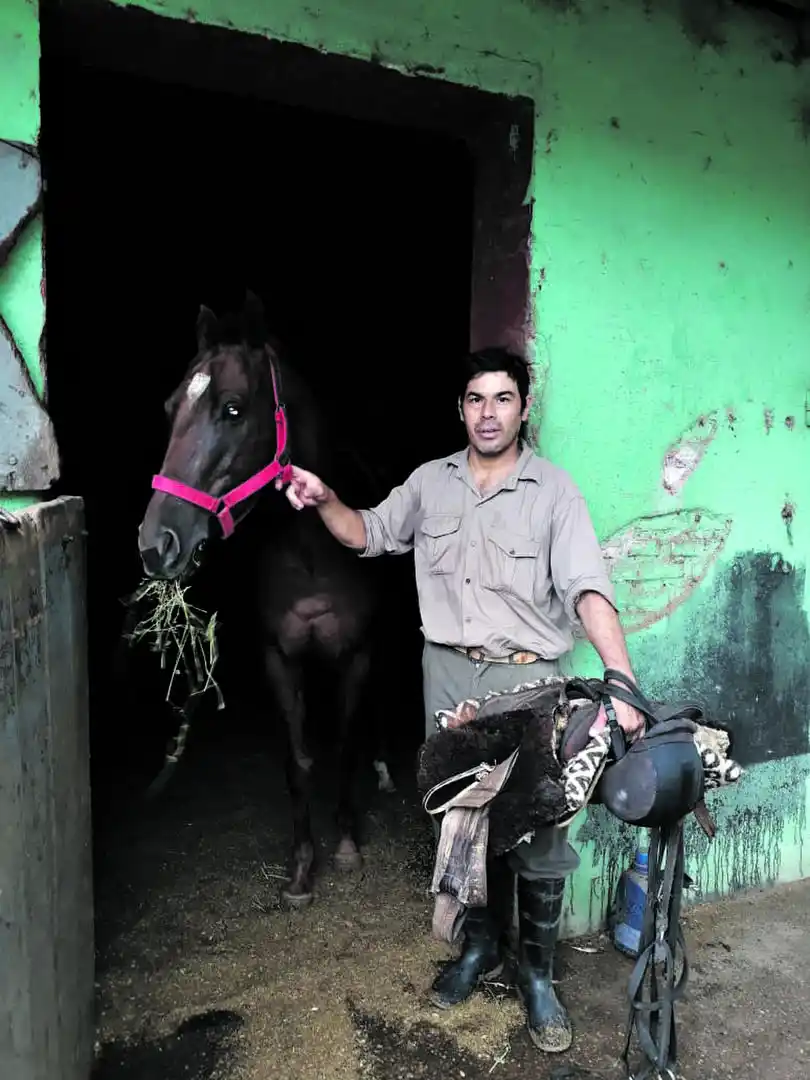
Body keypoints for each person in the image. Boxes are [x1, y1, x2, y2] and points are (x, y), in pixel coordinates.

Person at [278, 347, 644, 1054]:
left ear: (524, 408)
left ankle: (538, 975)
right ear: (461, 409)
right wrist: (325, 499)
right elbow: (371, 533)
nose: (488, 412)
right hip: (446, 676)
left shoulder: (554, 492)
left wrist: (620, 677)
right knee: (461, 823)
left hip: (529, 681)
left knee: (538, 833)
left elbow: (587, 588)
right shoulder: (429, 483)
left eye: (503, 398)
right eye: (476, 399)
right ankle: (481, 950)